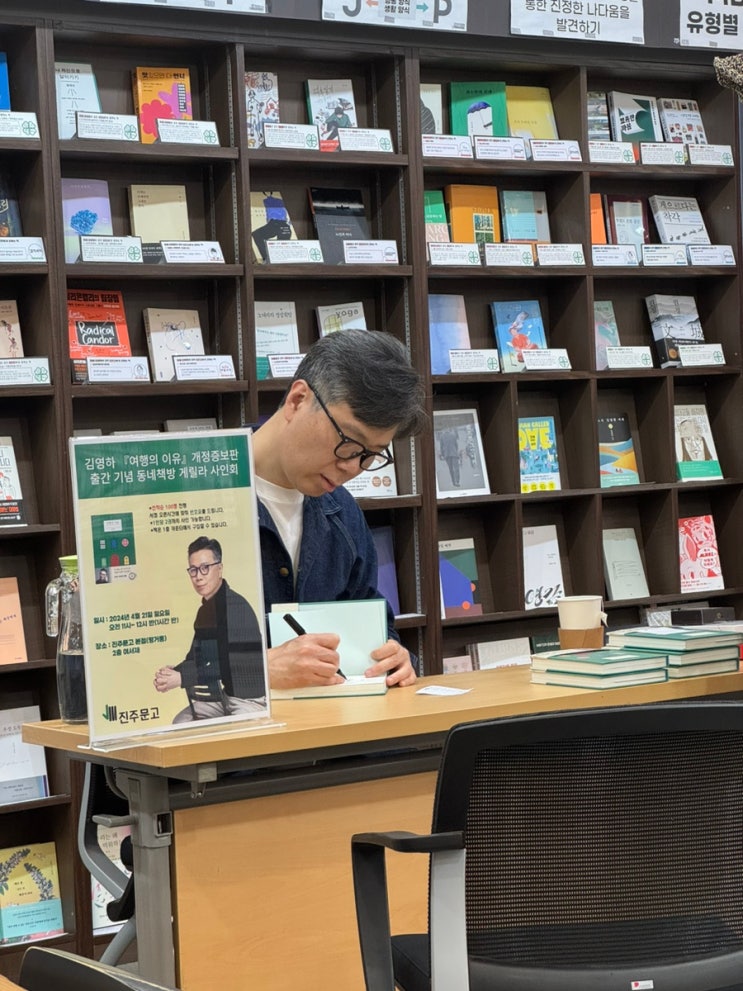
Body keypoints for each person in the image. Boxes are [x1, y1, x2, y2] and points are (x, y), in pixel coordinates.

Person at [252, 329, 426, 691]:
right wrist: (255, 671)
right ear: (298, 400)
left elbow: (371, 622)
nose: (352, 467)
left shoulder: (343, 512)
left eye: (371, 455)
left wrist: (393, 660)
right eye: (348, 442)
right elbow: (145, 657)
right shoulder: (196, 497)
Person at [153, 536, 266, 722]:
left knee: (233, 734)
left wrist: (181, 678)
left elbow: (228, 665)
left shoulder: (236, 607)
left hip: (250, 700)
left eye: (205, 568)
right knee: (181, 722)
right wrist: (172, 672)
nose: (198, 576)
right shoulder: (205, 610)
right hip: (225, 697)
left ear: (219, 568)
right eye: (193, 570)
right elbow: (196, 657)